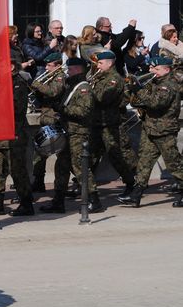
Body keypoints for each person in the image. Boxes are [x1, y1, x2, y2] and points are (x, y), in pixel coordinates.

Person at [118, 56, 183, 207]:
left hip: (164, 130)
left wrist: (139, 91)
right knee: (144, 162)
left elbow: (156, 103)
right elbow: (136, 101)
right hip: (150, 128)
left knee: (174, 164)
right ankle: (136, 194)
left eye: (156, 68)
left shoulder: (169, 85)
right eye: (152, 68)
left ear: (166, 70)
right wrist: (135, 90)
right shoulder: (154, 83)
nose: (151, 70)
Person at [0, 60, 35, 217]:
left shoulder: (18, 84)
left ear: (12, 66)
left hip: (13, 135)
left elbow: (16, 108)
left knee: (17, 171)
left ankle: (26, 203)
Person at [88, 50, 136, 197]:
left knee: (116, 155)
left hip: (110, 124)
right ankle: (84, 185)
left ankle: (131, 183)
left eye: (101, 63)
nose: (98, 66)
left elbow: (102, 98)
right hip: (97, 122)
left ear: (109, 64)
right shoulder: (99, 77)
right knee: (90, 155)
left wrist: (86, 91)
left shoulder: (114, 79)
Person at [30, 52, 70, 212]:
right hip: (46, 117)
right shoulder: (51, 76)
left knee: (63, 158)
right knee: (39, 153)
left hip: (55, 120)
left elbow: (54, 92)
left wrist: (38, 85)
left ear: (57, 65)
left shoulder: (60, 77)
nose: (46, 68)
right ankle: (38, 181)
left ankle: (82, 186)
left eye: (48, 65)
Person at [61, 57, 103, 212]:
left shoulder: (83, 87)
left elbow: (84, 111)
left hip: (79, 133)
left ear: (77, 69)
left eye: (70, 69)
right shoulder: (73, 86)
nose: (68, 72)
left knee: (81, 167)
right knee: (63, 166)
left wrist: (64, 110)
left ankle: (94, 199)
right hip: (70, 131)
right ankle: (58, 200)